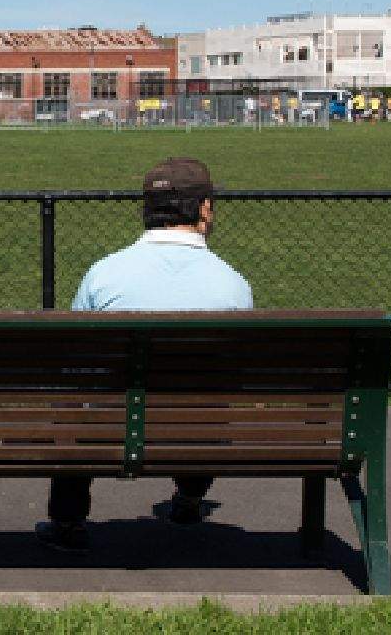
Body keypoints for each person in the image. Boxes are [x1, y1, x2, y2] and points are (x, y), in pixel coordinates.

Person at [36, 157, 252, 553]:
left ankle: (68, 523)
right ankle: (189, 499)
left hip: (109, 425)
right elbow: (231, 372)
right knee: (209, 401)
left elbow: (73, 360)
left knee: (74, 408)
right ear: (204, 208)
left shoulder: (104, 275)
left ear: (148, 209)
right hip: (195, 428)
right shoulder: (233, 286)